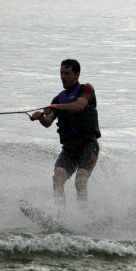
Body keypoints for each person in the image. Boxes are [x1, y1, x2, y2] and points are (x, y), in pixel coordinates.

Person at [30, 59, 101, 208]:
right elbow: (48, 121)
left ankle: (84, 215)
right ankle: (61, 215)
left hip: (88, 144)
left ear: (76, 74)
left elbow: (80, 106)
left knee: (80, 180)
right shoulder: (58, 98)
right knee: (58, 178)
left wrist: (56, 106)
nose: (63, 76)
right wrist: (40, 117)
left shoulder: (86, 89)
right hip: (70, 148)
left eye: (67, 73)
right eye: (61, 73)